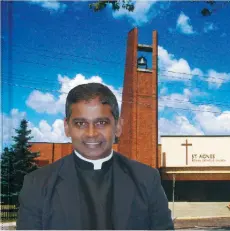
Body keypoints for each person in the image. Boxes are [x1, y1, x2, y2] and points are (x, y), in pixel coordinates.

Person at [16, 82, 174, 230]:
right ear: (67, 127)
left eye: (101, 123)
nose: (91, 134)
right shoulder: (37, 184)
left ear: (118, 127)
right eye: (80, 123)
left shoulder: (146, 179)